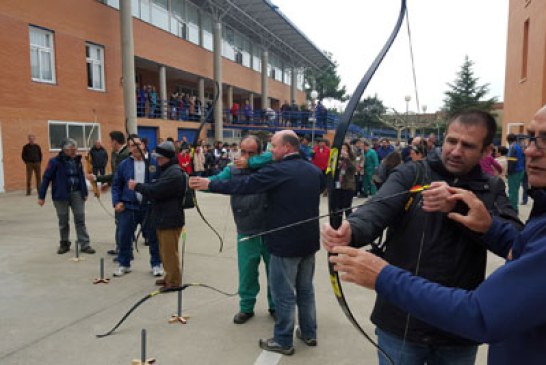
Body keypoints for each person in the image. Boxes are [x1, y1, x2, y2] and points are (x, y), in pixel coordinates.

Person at [327, 104, 546, 365]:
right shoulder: (414, 172)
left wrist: (477, 216)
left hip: (458, 331)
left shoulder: (491, 187)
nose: (455, 151)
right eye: (451, 141)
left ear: (486, 151)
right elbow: (378, 208)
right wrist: (351, 230)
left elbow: (519, 243)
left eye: (467, 145)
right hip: (401, 323)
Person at [189, 130, 324, 356]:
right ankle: (309, 332)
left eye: (274, 146)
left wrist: (209, 185)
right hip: (308, 241)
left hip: (282, 241)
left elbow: (245, 185)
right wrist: (208, 181)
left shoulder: (277, 170)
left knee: (283, 292)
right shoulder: (313, 171)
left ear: (288, 148)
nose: (271, 151)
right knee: (305, 290)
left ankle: (283, 339)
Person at [195, 135, 275, 324]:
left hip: (271, 230)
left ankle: (276, 306)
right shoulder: (232, 171)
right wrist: (197, 182)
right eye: (243, 151)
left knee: (275, 273)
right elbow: (214, 182)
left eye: (251, 153)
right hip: (246, 229)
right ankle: (246, 307)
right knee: (247, 273)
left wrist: (250, 163)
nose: (245, 156)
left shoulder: (269, 167)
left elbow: (273, 155)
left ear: (259, 153)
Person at [128, 141, 186, 291]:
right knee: (164, 252)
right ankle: (169, 276)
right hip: (163, 217)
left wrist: (138, 186)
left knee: (169, 253)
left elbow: (156, 190)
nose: (158, 160)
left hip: (170, 219)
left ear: (167, 157)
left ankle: (174, 282)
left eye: (160, 158)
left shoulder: (174, 173)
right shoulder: (167, 170)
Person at [111, 135, 162, 278]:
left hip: (150, 207)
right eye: (132, 145)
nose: (136, 147)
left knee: (154, 237)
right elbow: (116, 185)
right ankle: (124, 264)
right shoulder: (124, 165)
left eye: (138, 144)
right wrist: (116, 202)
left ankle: (156, 264)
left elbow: (161, 183)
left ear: (143, 145)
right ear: (128, 148)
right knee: (124, 236)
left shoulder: (154, 162)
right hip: (129, 207)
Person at [38, 138, 95, 254]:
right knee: (63, 220)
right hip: (60, 195)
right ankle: (64, 243)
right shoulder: (54, 162)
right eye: (71, 149)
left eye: (75, 149)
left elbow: (81, 178)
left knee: (80, 218)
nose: (74, 151)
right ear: (64, 150)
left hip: (77, 193)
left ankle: (84, 244)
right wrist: (41, 196)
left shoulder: (77, 161)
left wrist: (84, 192)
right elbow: (46, 178)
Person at [87, 131, 130, 258]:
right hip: (118, 190)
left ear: (115, 142)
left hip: (125, 193)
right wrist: (109, 183)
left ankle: (124, 250)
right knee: (120, 221)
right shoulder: (115, 153)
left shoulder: (125, 155)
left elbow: (119, 174)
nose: (110, 144)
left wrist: (97, 178)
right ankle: (120, 247)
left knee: (122, 222)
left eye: (111, 141)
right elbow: (116, 175)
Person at [332, 143, 356, 218]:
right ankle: (338, 224)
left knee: (347, 207)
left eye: (345, 148)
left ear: (348, 150)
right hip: (338, 184)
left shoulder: (352, 158)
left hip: (348, 185)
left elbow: (353, 169)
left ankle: (350, 223)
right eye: (342, 148)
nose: (343, 150)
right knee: (338, 206)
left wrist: (347, 158)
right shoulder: (337, 157)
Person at [506, 133, 525, 211]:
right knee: (515, 191)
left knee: (512, 192)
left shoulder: (512, 147)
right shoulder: (518, 146)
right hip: (520, 171)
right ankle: (514, 207)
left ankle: (513, 210)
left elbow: (511, 162)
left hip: (514, 172)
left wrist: (508, 172)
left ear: (507, 140)